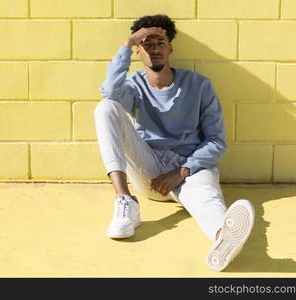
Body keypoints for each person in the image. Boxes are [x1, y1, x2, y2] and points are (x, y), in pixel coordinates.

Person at [93, 14, 255, 271]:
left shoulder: (199, 85)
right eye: (147, 44)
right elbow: (111, 92)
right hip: (150, 170)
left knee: (208, 201)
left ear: (170, 48)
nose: (154, 49)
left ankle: (223, 241)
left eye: (160, 42)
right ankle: (125, 201)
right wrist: (127, 43)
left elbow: (216, 141)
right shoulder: (133, 87)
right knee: (105, 108)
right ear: (138, 51)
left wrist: (181, 171)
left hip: (189, 168)